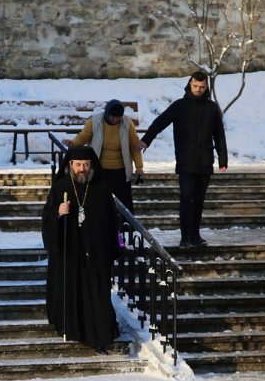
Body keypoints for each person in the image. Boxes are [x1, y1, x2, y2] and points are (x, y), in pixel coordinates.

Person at [40, 145, 121, 352]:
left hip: (96, 252)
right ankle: (73, 329)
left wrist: (114, 245)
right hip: (71, 252)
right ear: (70, 165)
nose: (82, 169)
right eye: (78, 165)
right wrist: (59, 213)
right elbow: (47, 220)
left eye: (86, 164)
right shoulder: (61, 188)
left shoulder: (101, 188)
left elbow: (112, 220)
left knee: (97, 295)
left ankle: (100, 336)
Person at [138, 71, 228, 248]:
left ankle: (195, 235)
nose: (198, 90)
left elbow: (219, 134)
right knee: (186, 197)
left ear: (206, 87)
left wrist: (222, 159)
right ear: (190, 84)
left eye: (202, 87)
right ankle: (185, 237)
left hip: (205, 160)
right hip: (185, 160)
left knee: (199, 199)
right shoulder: (179, 106)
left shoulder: (211, 108)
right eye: (195, 86)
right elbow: (160, 122)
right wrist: (145, 140)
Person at [68, 99, 145, 212]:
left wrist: (139, 167)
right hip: (100, 170)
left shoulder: (127, 123)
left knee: (123, 204)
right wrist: (73, 143)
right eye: (113, 117)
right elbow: (84, 136)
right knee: (100, 202)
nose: (115, 120)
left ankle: (123, 227)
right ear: (107, 113)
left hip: (121, 171)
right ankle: (101, 227)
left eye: (118, 117)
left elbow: (134, 145)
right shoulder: (95, 121)